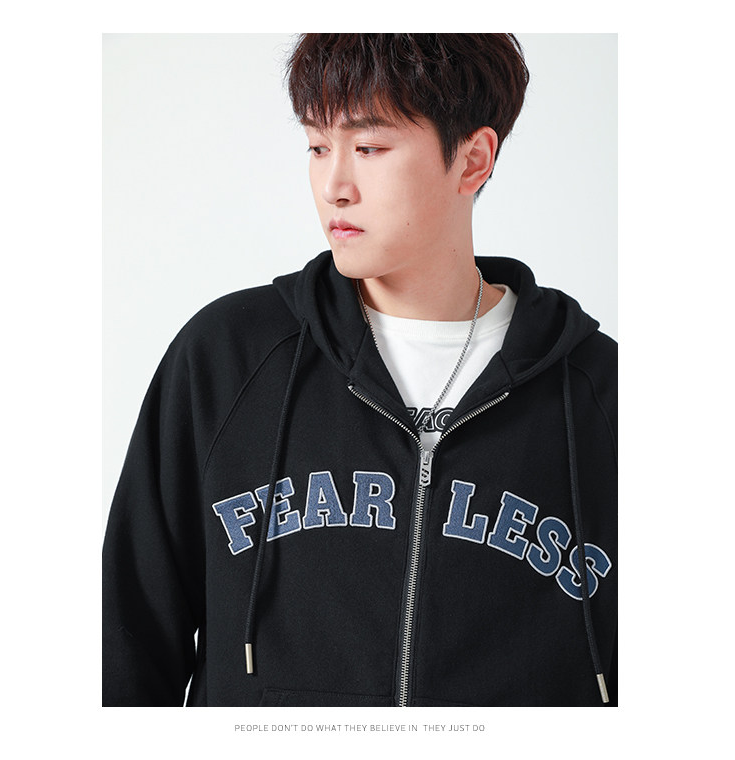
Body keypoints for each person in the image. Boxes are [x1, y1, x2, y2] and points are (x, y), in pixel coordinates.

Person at [103, 33, 617, 707]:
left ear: (473, 160)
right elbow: (125, 648)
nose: (334, 187)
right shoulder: (228, 359)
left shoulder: (604, 394)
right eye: (318, 146)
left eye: (369, 148)